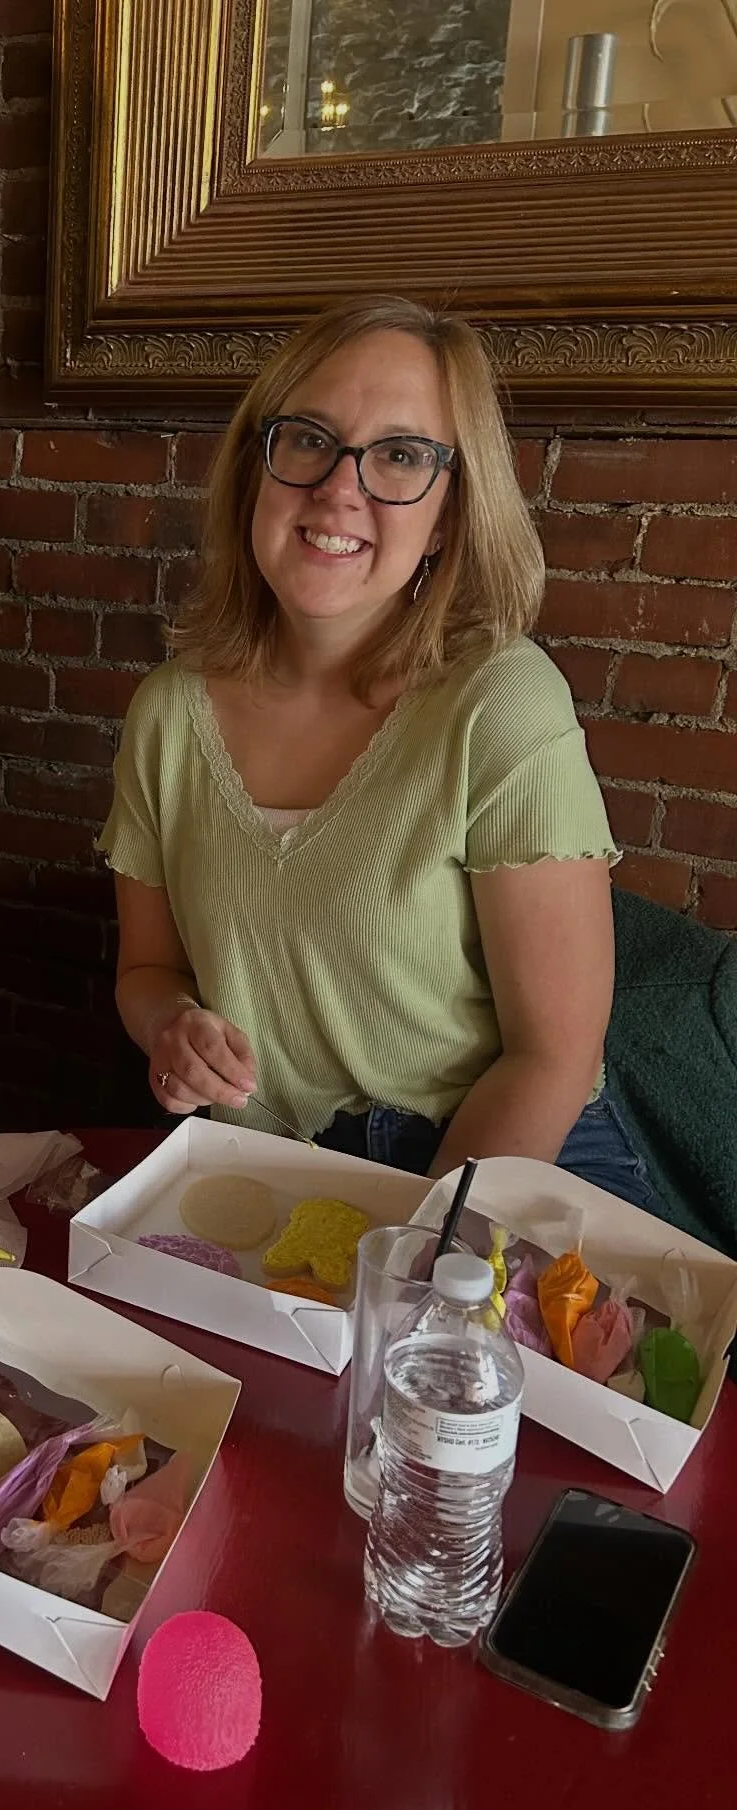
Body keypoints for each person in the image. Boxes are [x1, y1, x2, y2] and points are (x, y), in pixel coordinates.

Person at [100, 294, 652, 1205]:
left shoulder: (502, 702)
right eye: (308, 438)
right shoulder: (166, 714)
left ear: (447, 512)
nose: (339, 488)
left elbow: (551, 1057)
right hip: (272, 1169)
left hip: (501, 1157)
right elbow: (147, 973)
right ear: (254, 471)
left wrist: (415, 1265)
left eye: (400, 455)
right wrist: (171, 1028)